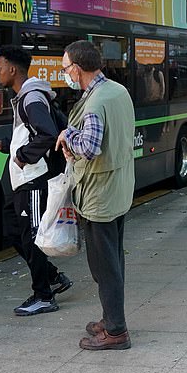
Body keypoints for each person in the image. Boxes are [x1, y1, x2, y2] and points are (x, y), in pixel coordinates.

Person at [56, 40, 135, 350]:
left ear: (77, 68)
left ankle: (116, 331)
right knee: (114, 260)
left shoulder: (95, 103)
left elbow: (89, 148)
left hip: (99, 195)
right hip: (118, 189)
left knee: (105, 266)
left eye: (65, 69)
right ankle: (111, 317)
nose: (65, 74)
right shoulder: (118, 91)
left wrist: (67, 135)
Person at [0, 45, 72, 316]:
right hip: (23, 181)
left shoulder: (31, 98)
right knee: (13, 230)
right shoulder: (24, 97)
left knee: (33, 237)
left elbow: (46, 134)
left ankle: (43, 296)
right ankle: (52, 277)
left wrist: (23, 156)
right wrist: (3, 145)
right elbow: (29, 133)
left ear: (13, 69)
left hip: (34, 180)